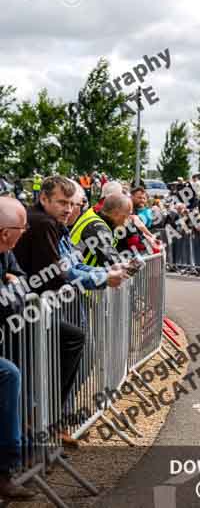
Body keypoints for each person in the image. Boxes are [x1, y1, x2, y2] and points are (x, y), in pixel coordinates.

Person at [12, 177, 126, 447]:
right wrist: (102, 277)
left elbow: (72, 263)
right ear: (44, 200)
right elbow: (56, 274)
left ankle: (47, 421)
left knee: (67, 346)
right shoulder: (43, 223)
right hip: (28, 311)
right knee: (38, 362)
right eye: (62, 202)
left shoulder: (55, 224)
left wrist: (103, 274)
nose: (68, 209)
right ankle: (41, 422)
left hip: (39, 308)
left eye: (72, 203)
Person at [0, 196, 36, 500]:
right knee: (8, 373)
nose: (25, 233)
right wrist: (12, 290)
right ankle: (5, 470)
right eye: (21, 228)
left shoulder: (6, 254)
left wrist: (13, 287)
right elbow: (9, 305)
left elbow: (24, 282)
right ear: (4, 233)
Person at [70, 194, 133, 268]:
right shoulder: (97, 227)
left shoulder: (93, 214)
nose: (128, 220)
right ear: (116, 213)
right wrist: (128, 265)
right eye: (127, 215)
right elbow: (110, 259)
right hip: (77, 274)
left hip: (80, 272)